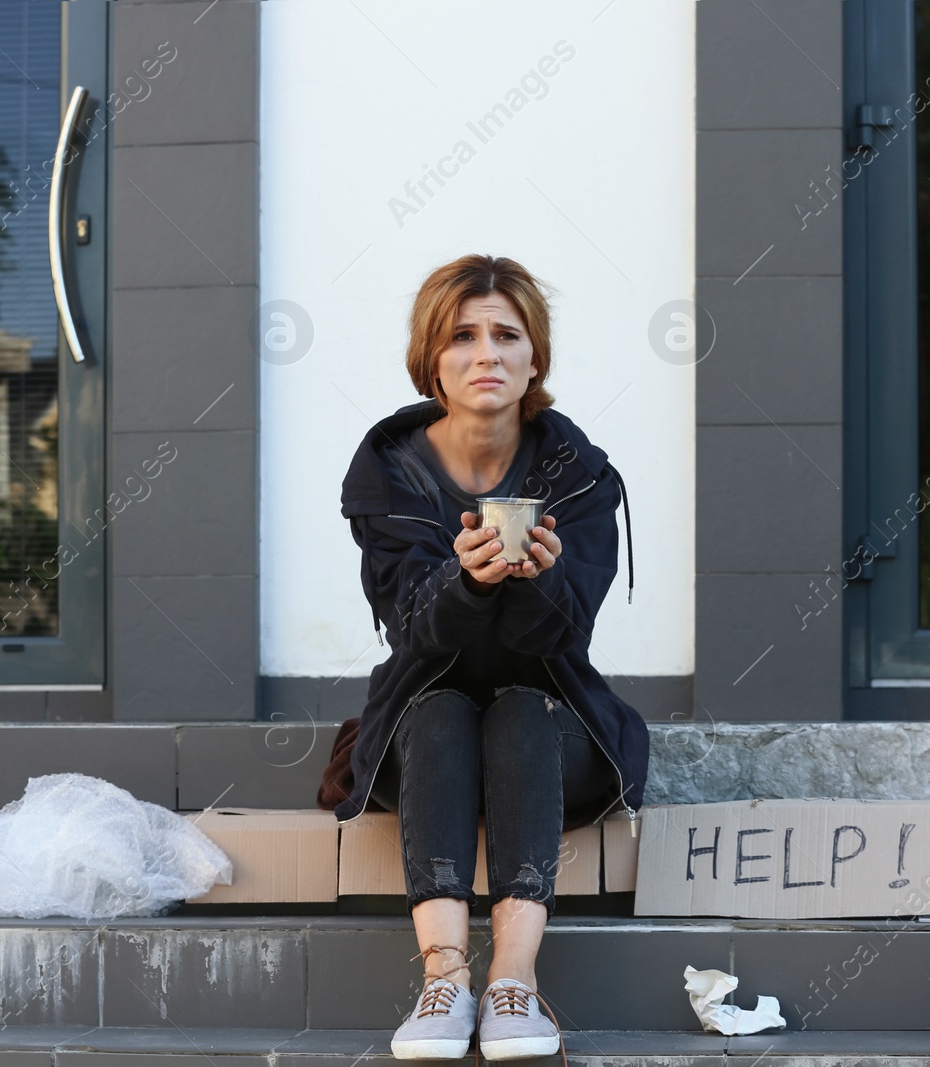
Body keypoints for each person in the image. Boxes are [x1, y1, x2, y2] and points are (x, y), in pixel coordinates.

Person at [336, 253, 649, 1061]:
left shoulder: (578, 476)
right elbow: (410, 626)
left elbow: (566, 635)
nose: (487, 354)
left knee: (517, 705)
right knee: (440, 706)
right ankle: (444, 977)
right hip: (427, 732)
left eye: (507, 335)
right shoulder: (389, 472)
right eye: (463, 336)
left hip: (551, 729)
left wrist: (538, 583)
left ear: (534, 357)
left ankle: (514, 981)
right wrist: (463, 580)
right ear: (432, 360)